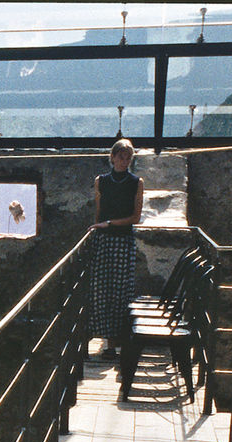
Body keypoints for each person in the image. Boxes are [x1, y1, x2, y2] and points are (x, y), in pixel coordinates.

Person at [88, 138, 144, 360]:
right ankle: (93, 340)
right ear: (112, 157)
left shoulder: (136, 182)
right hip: (103, 240)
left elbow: (135, 217)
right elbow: (99, 211)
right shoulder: (101, 181)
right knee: (100, 291)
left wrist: (110, 224)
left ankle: (112, 345)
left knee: (120, 292)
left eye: (128, 156)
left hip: (122, 241)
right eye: (121, 156)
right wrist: (98, 230)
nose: (124, 160)